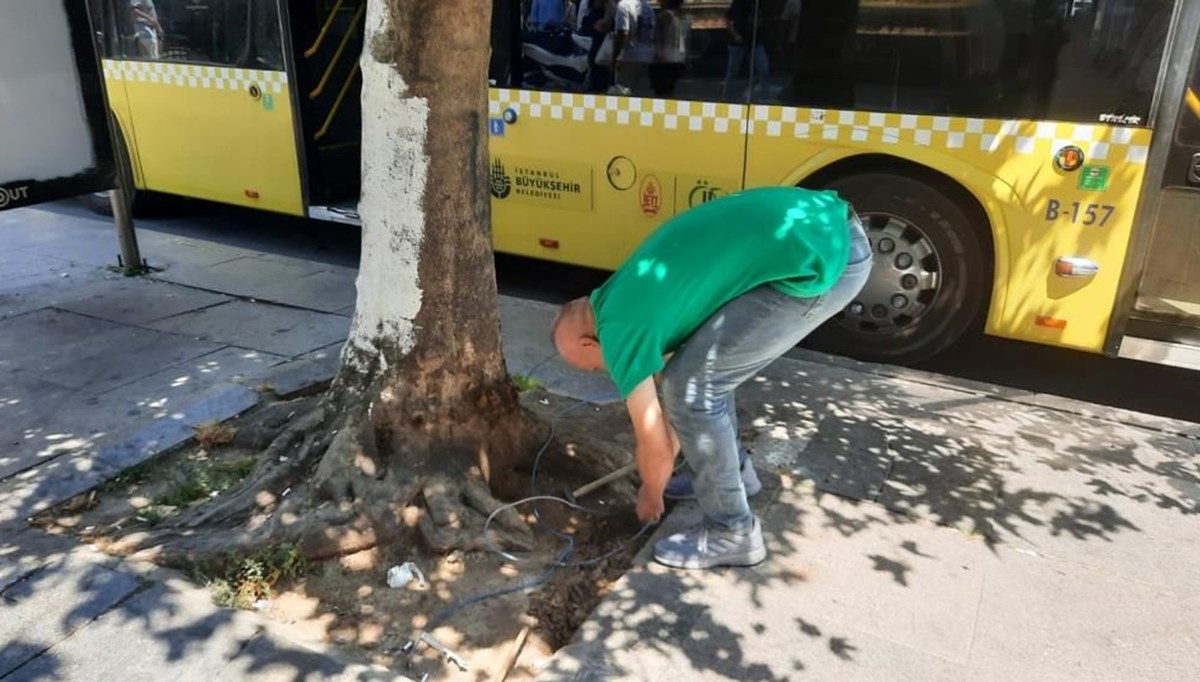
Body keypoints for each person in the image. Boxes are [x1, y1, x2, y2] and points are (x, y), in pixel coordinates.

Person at [551, 187, 874, 569]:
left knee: (693, 389)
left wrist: (650, 494)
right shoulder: (619, 295)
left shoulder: (618, 330)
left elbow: (654, 437)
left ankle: (732, 531)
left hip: (824, 259)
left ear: (590, 343)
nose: (604, 372)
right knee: (699, 374)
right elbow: (670, 395)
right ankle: (734, 478)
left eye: (592, 366)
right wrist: (670, 461)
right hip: (824, 227)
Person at [609, 0, 655, 94]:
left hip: (629, 56)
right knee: (640, 96)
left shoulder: (624, 5)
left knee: (623, 94)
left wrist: (614, 57)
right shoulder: (648, 7)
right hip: (647, 55)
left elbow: (622, 33)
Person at [651, 0, 690, 97]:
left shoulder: (664, 15)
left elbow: (658, 39)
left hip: (664, 60)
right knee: (670, 92)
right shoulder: (685, 17)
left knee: (661, 93)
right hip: (680, 58)